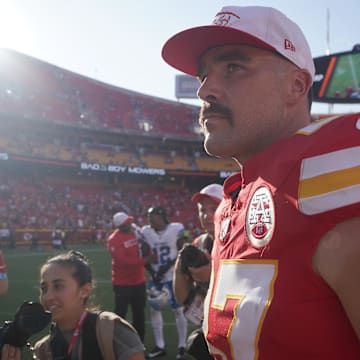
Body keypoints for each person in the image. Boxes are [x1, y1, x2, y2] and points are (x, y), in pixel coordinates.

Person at [162, 5, 360, 360]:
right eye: (204, 74)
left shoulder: (332, 183)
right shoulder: (235, 203)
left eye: (233, 67)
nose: (206, 89)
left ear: (297, 85)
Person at [33, 250, 145, 359]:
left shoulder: (110, 330)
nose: (48, 296)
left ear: (84, 291)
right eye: (44, 289)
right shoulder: (43, 349)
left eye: (58, 286)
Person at [174, 183, 222, 360]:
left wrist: (214, 275)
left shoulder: (244, 242)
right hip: (209, 327)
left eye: (214, 208)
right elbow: (182, 298)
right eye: (202, 210)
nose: (207, 216)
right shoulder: (199, 245)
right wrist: (179, 269)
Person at [142, 206, 188, 359]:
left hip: (173, 276)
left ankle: (182, 345)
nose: (149, 221)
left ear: (161, 217)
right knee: (154, 310)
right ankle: (160, 346)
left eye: (152, 217)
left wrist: (168, 266)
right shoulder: (146, 232)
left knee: (178, 310)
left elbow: (184, 249)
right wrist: (152, 271)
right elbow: (144, 255)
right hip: (156, 278)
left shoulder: (176, 228)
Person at [107, 211, 154, 343]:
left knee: (139, 315)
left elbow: (146, 244)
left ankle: (139, 343)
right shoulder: (113, 240)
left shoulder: (136, 232)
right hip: (122, 284)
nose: (130, 224)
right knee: (120, 314)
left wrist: (148, 252)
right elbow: (124, 262)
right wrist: (146, 260)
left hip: (139, 281)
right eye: (127, 223)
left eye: (129, 221)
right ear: (120, 226)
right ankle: (115, 342)